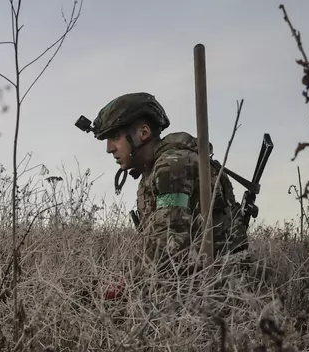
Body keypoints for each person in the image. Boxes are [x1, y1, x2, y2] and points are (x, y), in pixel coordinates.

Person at [89, 92, 251, 274]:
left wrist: (128, 282)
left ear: (144, 133)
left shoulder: (172, 165)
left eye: (115, 137)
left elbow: (169, 244)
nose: (109, 149)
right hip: (194, 278)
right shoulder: (150, 172)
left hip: (219, 284)